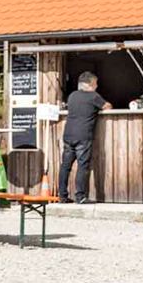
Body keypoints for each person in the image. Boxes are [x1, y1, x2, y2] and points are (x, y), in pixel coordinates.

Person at [59, 72, 113, 203]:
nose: (97, 86)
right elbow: (108, 107)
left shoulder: (72, 96)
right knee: (83, 165)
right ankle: (80, 197)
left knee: (65, 166)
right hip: (83, 135)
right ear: (89, 84)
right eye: (95, 83)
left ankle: (62, 196)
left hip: (68, 134)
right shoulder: (93, 96)